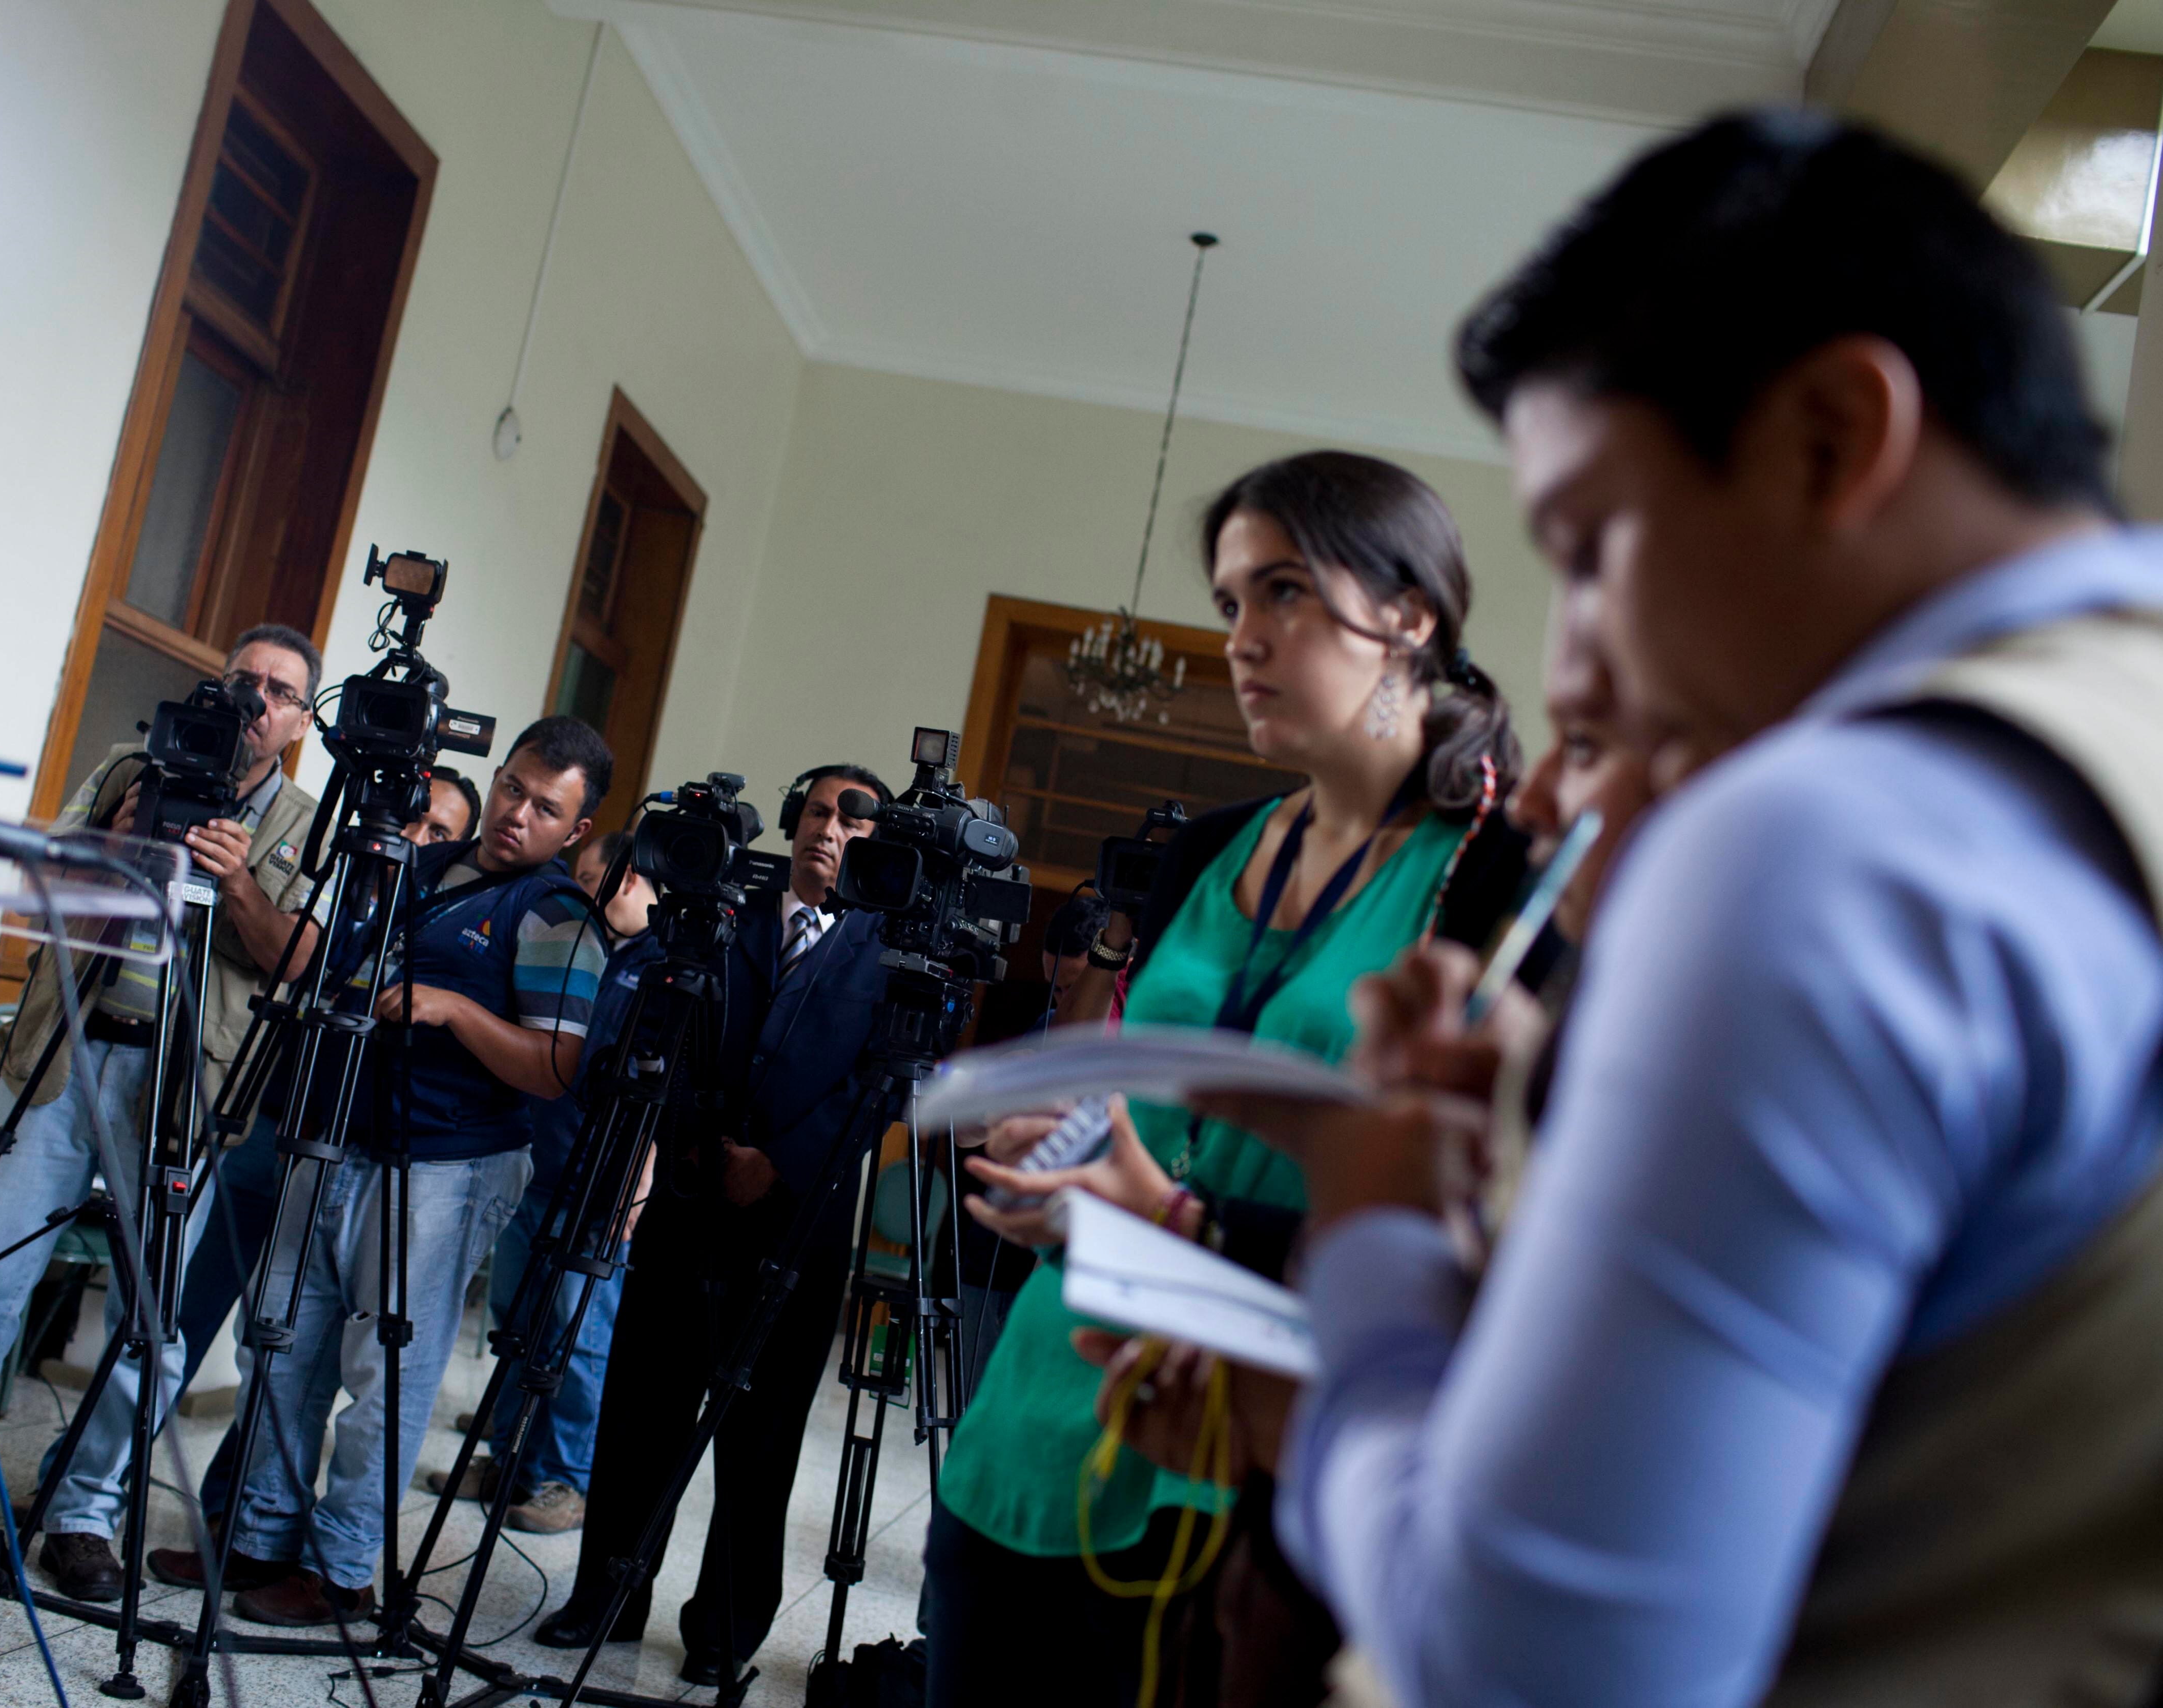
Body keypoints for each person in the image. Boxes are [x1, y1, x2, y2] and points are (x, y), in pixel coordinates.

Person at [1240, 111, 2163, 1708]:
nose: (1578, 657)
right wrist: (1547, 1126)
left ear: (1832, 436)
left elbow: (1524, 1667)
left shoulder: (1831, 845)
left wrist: (1378, 1245)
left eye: (1594, 544)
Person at [924, 450, 1529, 1708]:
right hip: (1045, 1392)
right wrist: (1071, 1148)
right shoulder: (1203, 850)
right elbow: (1153, 1109)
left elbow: (1477, 1226)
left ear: (1410, 614)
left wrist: (1180, 1216)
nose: (1243, 638)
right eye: (1231, 601)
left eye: (1285, 591)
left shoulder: (1496, 880)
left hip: (1246, 1448)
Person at [0, 625, 325, 1603]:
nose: (255, 700)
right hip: (62, 1055)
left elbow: (299, 958)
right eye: (242, 679)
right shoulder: (128, 766)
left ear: (299, 723)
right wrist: (123, 836)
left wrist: (236, 881)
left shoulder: (306, 824)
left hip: (183, 1088)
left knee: (150, 1323)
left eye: (279, 691)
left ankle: (80, 1510)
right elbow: (46, 880)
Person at [148, 716, 615, 1625]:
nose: (517, 815)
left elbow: (558, 1067)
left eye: (545, 809)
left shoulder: (557, 915)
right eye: (513, 789)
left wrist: (454, 1010)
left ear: (577, 830)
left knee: (383, 1376)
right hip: (332, 1135)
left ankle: (341, 1571)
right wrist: (243, 885)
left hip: (443, 1164)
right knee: (281, 1346)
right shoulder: (420, 866)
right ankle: (257, 1540)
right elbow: (315, 960)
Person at [535, 763, 892, 1688]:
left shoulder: (890, 953)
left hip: (798, 1227)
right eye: (818, 813)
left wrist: (779, 1161)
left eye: (852, 823)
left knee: (761, 1439)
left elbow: (881, 1085)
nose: (829, 831)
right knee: (641, 1415)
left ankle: (724, 1631)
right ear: (794, 820)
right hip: (689, 1203)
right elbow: (670, 1028)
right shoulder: (729, 911)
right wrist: (697, 1140)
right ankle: (606, 1597)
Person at [164, 761, 487, 1529]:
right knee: (183, 1309)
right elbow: (288, 957)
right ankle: (89, 1483)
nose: (418, 840)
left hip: (358, 1157)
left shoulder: (457, 932)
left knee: (290, 1347)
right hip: (272, 1121)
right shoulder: (344, 883)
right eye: (413, 820)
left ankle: (234, 1517)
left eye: (440, 832)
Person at [435, 829, 661, 1535]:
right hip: (536, 1164)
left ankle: (568, 1480)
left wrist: (640, 1176)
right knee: (515, 1322)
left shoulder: (663, 967)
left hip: (600, 1185)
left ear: (627, 879)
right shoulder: (575, 947)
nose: (576, 894)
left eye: (587, 879)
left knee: (577, 1334)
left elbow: (666, 1091)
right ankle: (508, 1462)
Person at [951, 890, 1108, 1404]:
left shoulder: (1135, 1051)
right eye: (1055, 988)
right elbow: (964, 1133)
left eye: (1073, 989)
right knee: (975, 1415)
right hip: (991, 1265)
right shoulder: (1044, 1032)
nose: (1063, 1004)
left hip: (1065, 1272)